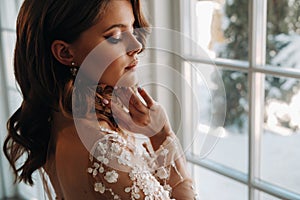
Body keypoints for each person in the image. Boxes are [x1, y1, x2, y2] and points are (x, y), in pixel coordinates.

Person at [3, 0, 197, 199]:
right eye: (115, 36)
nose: (137, 45)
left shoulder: (56, 117)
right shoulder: (103, 149)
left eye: (132, 28)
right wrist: (162, 134)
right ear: (65, 52)